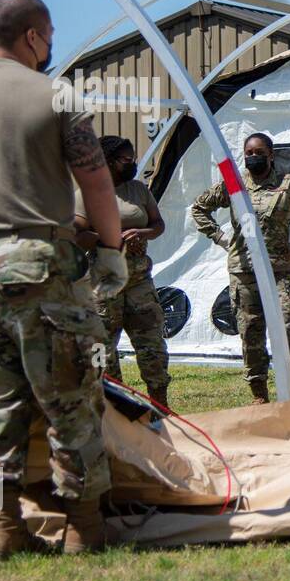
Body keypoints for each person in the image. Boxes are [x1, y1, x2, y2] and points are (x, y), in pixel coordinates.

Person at [0, 0, 127, 560]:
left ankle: (1, 528)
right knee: (69, 395)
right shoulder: (56, 95)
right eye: (49, 37)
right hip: (39, 267)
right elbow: (96, 181)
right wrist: (110, 250)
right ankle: (83, 526)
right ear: (34, 36)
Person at [191, 132, 290, 403]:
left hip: (279, 269)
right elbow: (199, 208)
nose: (252, 157)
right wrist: (221, 238)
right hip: (244, 271)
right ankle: (259, 396)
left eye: (258, 153)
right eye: (248, 153)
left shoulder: (288, 184)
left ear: (271, 155)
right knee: (251, 331)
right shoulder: (234, 184)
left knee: (285, 326)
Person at [73, 136, 170, 408]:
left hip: (140, 281)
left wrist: (143, 233)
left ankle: (160, 407)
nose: (133, 163)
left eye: (133, 158)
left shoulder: (138, 190)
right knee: (102, 348)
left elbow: (158, 224)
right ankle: (115, 409)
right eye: (126, 160)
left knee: (152, 344)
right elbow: (76, 234)